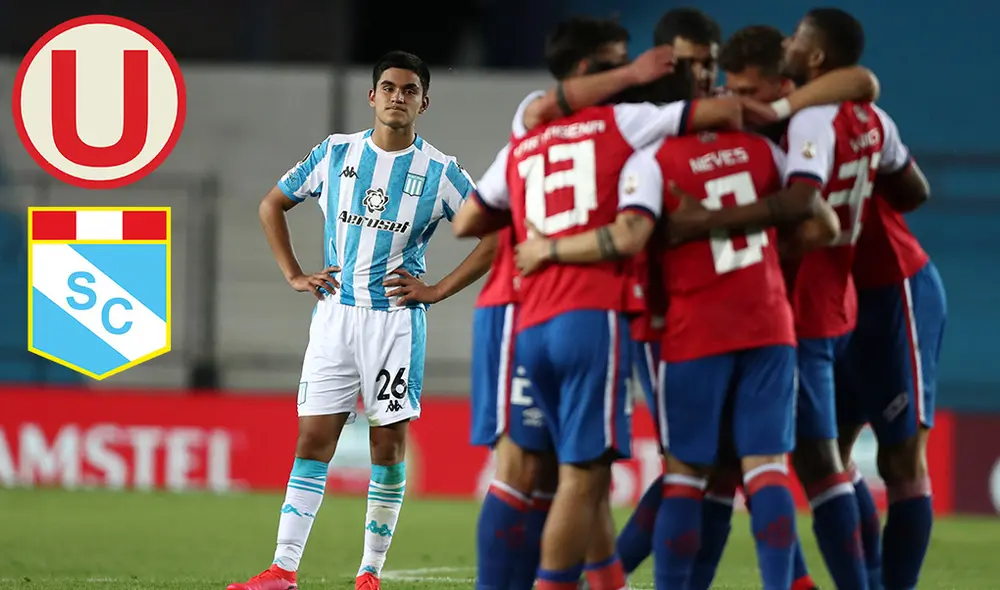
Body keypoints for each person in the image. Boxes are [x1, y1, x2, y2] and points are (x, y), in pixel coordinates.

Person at [228, 50, 496, 590]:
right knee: (312, 440)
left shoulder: (440, 171)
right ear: (372, 96)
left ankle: (369, 572)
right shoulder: (335, 154)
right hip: (334, 318)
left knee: (387, 447)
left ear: (425, 101)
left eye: (410, 90)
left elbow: (495, 232)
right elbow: (270, 205)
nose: (399, 97)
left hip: (395, 324)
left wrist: (439, 289)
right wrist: (294, 274)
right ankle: (282, 569)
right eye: (390, 87)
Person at [668, 9, 915, 588]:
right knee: (768, 459)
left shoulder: (803, 123)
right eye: (729, 87)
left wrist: (712, 224)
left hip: (796, 311)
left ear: (790, 79)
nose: (736, 99)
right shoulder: (825, 112)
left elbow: (810, 207)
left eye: (749, 90)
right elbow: (864, 84)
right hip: (817, 305)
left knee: (792, 462)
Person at [470, 18, 670, 590]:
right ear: (585, 70)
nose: (626, 73)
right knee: (540, 467)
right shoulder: (539, 118)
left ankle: (606, 583)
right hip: (529, 305)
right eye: (614, 63)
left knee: (575, 472)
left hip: (540, 306)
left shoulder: (597, 133)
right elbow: (472, 216)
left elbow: (472, 217)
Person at [836, 80, 941, 590]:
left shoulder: (843, 113)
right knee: (822, 457)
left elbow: (916, 192)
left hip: (893, 289)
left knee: (900, 459)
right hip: (833, 299)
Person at [652, 7, 722, 97]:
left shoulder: (737, 106)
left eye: (708, 64)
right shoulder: (638, 108)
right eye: (687, 63)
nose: (701, 76)